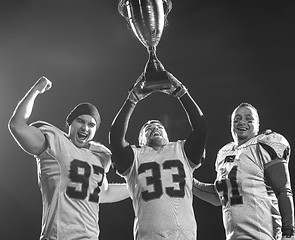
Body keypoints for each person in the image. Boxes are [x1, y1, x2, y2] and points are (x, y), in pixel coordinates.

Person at [8, 76, 129, 240]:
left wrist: (137, 186)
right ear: (70, 124)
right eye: (80, 121)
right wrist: (35, 90)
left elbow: (104, 193)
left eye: (91, 124)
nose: (85, 127)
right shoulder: (54, 141)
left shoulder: (99, 155)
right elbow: (17, 125)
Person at [109, 72, 208, 240]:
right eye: (147, 128)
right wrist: (132, 99)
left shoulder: (181, 150)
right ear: (140, 140)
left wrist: (182, 92)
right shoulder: (134, 156)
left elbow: (201, 129)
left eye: (159, 126)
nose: (154, 127)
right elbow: (115, 136)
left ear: (168, 135)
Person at [192, 102, 295, 240]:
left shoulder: (264, 144)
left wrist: (289, 232)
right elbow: (221, 197)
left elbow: (283, 190)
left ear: (258, 125)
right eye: (237, 119)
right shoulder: (224, 153)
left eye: (249, 119)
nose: (242, 122)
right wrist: (190, 181)